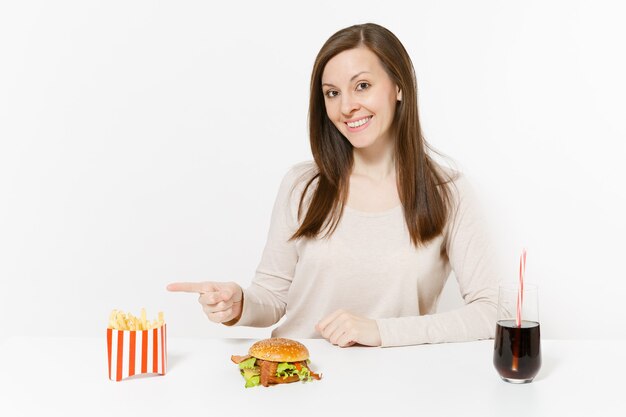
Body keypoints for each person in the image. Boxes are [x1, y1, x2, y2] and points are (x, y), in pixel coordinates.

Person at [167, 23, 499, 348]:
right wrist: (238, 304)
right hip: (296, 379)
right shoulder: (303, 185)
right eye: (332, 93)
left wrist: (382, 332)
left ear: (399, 87)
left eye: (363, 85)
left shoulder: (447, 191)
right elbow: (272, 297)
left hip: (398, 387)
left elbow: (493, 312)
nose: (346, 106)